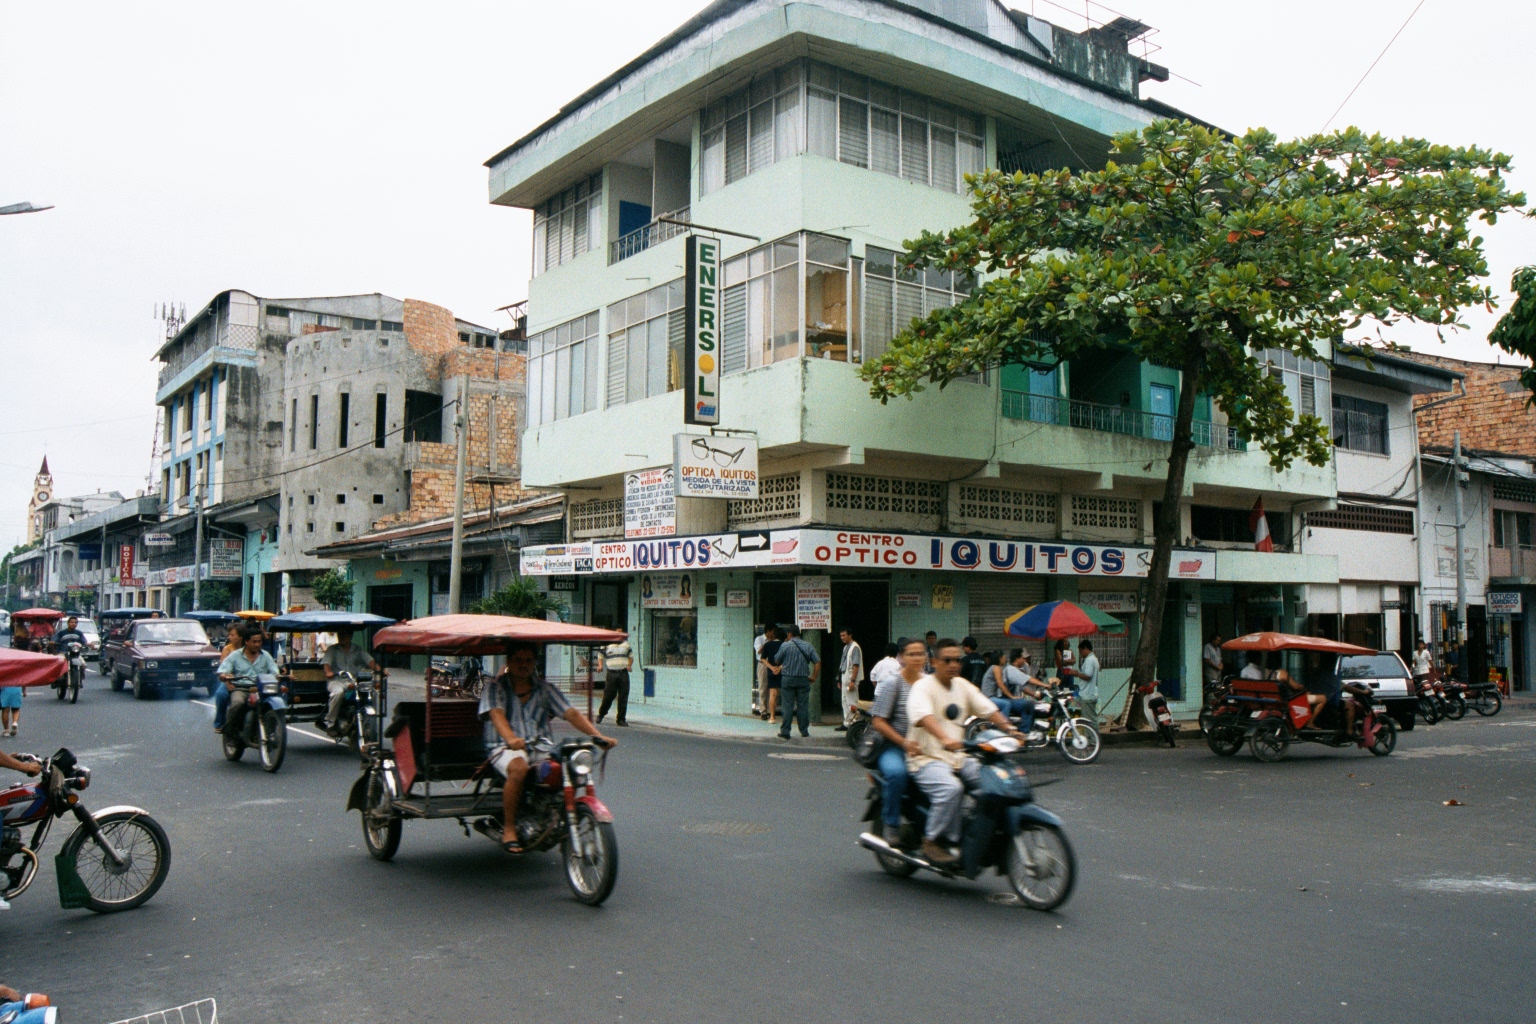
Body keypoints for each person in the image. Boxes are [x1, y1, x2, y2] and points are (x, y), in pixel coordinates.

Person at [478, 641, 614, 854]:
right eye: (518, 660)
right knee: (518, 768)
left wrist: (598, 736)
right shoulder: (495, 688)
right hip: (503, 746)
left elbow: (570, 713)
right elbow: (496, 714)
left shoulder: (545, 689)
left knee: (569, 767)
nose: (523, 664)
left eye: (528, 660)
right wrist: (511, 739)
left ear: (534, 663)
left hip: (539, 746)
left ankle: (555, 814)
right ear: (509, 662)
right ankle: (510, 829)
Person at [906, 638, 1022, 865]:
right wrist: (944, 738)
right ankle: (932, 840)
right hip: (926, 758)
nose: (953, 665)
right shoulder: (923, 687)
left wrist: (1010, 729)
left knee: (993, 782)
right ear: (934, 661)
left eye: (957, 660)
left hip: (957, 757)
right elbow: (924, 716)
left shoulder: (962, 686)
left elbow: (988, 709)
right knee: (952, 789)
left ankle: (976, 832)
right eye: (947, 660)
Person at [869, 637, 927, 847]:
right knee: (897, 774)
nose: (917, 658)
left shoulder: (928, 682)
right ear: (901, 657)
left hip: (924, 748)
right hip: (892, 747)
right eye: (911, 654)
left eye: (921, 653)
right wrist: (904, 743)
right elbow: (878, 721)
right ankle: (891, 824)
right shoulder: (893, 682)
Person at [321, 627, 385, 736]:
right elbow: (326, 664)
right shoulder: (332, 649)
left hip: (354, 681)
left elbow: (371, 662)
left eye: (344, 635)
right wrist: (328, 672)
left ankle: (368, 721)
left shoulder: (358, 650)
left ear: (350, 636)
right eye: (340, 635)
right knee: (338, 693)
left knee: (371, 691)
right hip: (337, 680)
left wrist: (381, 671)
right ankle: (330, 724)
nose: (342, 637)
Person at [216, 627, 282, 734]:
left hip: (261, 690)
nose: (257, 644)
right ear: (246, 641)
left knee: (274, 704)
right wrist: (224, 676)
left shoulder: (266, 656)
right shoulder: (235, 655)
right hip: (241, 688)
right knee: (238, 703)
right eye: (254, 642)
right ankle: (230, 732)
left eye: (259, 641)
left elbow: (274, 671)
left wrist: (279, 676)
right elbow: (223, 671)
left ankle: (271, 731)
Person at [772, 624, 820, 739]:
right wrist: (814, 676)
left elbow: (777, 660)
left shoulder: (785, 645)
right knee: (803, 706)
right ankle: (804, 731)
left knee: (787, 705)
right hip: (803, 679)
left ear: (789, 634)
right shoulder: (808, 646)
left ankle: (785, 731)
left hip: (788, 679)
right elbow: (817, 662)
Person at [981, 651, 1031, 721]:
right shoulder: (996, 668)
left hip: (992, 696)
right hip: (988, 697)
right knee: (1006, 704)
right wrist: (1011, 696)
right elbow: (1001, 685)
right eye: (1004, 657)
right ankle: (1003, 726)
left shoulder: (996, 668)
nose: (1005, 659)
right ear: (999, 658)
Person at [596, 637, 631, 727]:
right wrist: (600, 665)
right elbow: (600, 655)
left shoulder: (626, 644)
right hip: (611, 673)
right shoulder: (607, 643)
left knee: (623, 696)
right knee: (608, 695)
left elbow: (631, 656)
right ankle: (601, 714)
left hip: (623, 673)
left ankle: (621, 719)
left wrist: (629, 665)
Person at [1063, 639, 1101, 721]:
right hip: (1090, 693)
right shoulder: (1094, 659)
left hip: (1088, 695)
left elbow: (1088, 676)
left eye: (1081, 651)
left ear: (1086, 649)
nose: (1080, 654)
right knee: (1089, 718)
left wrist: (1076, 674)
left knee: (1089, 719)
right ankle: (1091, 733)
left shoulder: (1089, 660)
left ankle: (1091, 734)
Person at [836, 627, 864, 732]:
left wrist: (853, 681)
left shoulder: (855, 647)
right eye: (841, 636)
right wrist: (838, 679)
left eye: (844, 635)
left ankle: (854, 723)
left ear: (850, 635)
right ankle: (847, 722)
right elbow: (842, 664)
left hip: (850, 677)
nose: (842, 638)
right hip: (844, 676)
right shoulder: (846, 647)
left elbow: (856, 665)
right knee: (844, 700)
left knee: (852, 701)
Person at [758, 626, 783, 722]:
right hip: (783, 671)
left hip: (772, 671)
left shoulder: (768, 645)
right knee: (785, 694)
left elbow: (763, 658)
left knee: (773, 694)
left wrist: (771, 667)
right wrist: (780, 667)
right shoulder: (785, 645)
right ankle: (785, 716)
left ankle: (772, 716)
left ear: (774, 635)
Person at [752, 624, 770, 715]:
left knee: (772, 688)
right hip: (762, 664)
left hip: (771, 664)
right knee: (762, 687)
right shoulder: (759, 639)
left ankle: (770, 710)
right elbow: (759, 651)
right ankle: (763, 711)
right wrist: (768, 643)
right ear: (768, 631)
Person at [1202, 632, 1224, 699]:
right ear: (1213, 640)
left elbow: (1220, 659)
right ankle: (1211, 702)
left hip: (1218, 671)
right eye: (1217, 641)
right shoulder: (1207, 647)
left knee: (1218, 687)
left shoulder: (1218, 648)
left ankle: (1217, 702)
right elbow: (1207, 659)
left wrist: (1221, 665)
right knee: (1212, 687)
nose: (1218, 642)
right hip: (1211, 671)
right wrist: (1216, 666)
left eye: (1219, 641)